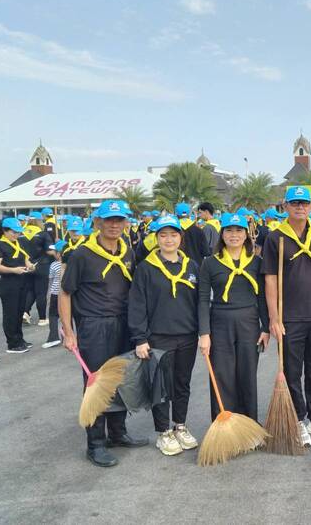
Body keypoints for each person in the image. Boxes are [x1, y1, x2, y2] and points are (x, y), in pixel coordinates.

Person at [60, 200, 148, 467]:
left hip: (124, 323)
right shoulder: (82, 254)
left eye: (119, 220)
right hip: (94, 326)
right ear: (97, 222)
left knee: (121, 379)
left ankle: (117, 433)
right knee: (97, 383)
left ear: (126, 223)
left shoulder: (127, 250)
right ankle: (95, 443)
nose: (114, 225)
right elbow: (65, 293)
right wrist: (68, 331)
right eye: (109, 220)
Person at [261, 186, 311, 446]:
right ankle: (297, 419)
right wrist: (274, 318)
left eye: (304, 203)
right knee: (292, 371)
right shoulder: (275, 237)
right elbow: (270, 279)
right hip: (289, 318)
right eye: (294, 203)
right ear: (285, 206)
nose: (300, 207)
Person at [128, 214, 200, 457]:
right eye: (163, 235)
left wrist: (203, 332)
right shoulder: (146, 268)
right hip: (159, 337)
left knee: (182, 383)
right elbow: (137, 305)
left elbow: (199, 302)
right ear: (156, 238)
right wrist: (140, 338)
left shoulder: (192, 266)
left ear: (181, 237)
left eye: (173, 234)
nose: (169, 239)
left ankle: (180, 425)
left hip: (187, 335)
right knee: (161, 386)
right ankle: (163, 432)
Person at [198, 213, 269, 423]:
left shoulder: (256, 262)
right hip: (220, 324)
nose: (234, 235)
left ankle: (248, 425)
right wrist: (204, 333)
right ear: (222, 234)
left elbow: (262, 297)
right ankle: (225, 427)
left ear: (246, 234)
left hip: (249, 323)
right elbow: (203, 299)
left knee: (247, 376)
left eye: (239, 230)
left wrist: (265, 328)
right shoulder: (210, 263)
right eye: (229, 230)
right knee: (222, 376)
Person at [0, 217, 35, 354]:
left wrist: (30, 266)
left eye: (18, 232)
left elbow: (25, 259)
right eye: (13, 232)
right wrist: (13, 270)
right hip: (9, 283)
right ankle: (12, 343)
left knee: (19, 312)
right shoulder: (0, 245)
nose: (16, 234)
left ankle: (19, 339)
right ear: (5, 231)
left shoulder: (19, 243)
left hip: (22, 281)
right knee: (10, 314)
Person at [22, 211, 53, 326]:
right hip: (41, 266)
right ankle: (42, 318)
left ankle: (25, 312)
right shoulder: (43, 234)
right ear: (39, 221)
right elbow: (49, 251)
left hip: (26, 265)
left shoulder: (20, 234)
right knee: (41, 293)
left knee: (30, 290)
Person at [42, 240, 66, 349]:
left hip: (55, 293)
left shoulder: (54, 265)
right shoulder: (70, 264)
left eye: (54, 251)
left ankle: (53, 338)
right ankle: (66, 336)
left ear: (59, 254)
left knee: (53, 315)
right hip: (67, 293)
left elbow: (50, 280)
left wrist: (48, 295)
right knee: (66, 316)